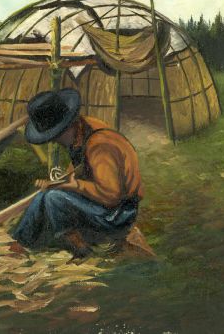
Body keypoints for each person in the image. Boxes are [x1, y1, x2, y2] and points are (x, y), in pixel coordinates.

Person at [10, 88, 143, 257]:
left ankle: (83, 249)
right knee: (45, 195)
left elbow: (112, 195)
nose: (55, 141)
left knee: (54, 199)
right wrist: (57, 183)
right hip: (102, 204)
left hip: (118, 214)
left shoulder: (99, 145)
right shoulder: (81, 132)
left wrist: (75, 185)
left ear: (68, 126)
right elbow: (79, 169)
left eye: (56, 136)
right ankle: (21, 242)